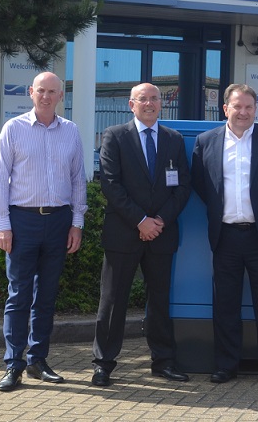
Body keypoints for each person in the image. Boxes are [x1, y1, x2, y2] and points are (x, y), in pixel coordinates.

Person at [190, 83, 258, 386]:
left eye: (249, 107)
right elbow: (200, 182)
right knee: (225, 305)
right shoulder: (206, 141)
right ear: (226, 109)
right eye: (238, 106)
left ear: (255, 110)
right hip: (225, 236)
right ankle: (226, 366)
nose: (243, 112)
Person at [0, 71, 87, 392]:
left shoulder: (71, 132)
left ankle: (38, 360)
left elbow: (77, 181)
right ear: (31, 92)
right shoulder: (13, 129)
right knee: (18, 296)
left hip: (58, 221)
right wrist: (2, 224)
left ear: (62, 95)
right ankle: (13, 364)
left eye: (53, 92)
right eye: (41, 91)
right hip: (22, 222)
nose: (46, 96)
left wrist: (77, 223)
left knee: (46, 297)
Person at [91, 83, 193, 386]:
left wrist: (159, 220)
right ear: (131, 104)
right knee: (112, 300)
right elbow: (110, 184)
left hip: (162, 233)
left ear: (161, 104)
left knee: (160, 301)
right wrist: (141, 221)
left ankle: (163, 362)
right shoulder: (115, 136)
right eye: (143, 99)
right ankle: (103, 364)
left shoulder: (173, 139)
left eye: (154, 99)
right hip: (124, 233)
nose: (149, 104)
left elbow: (182, 186)